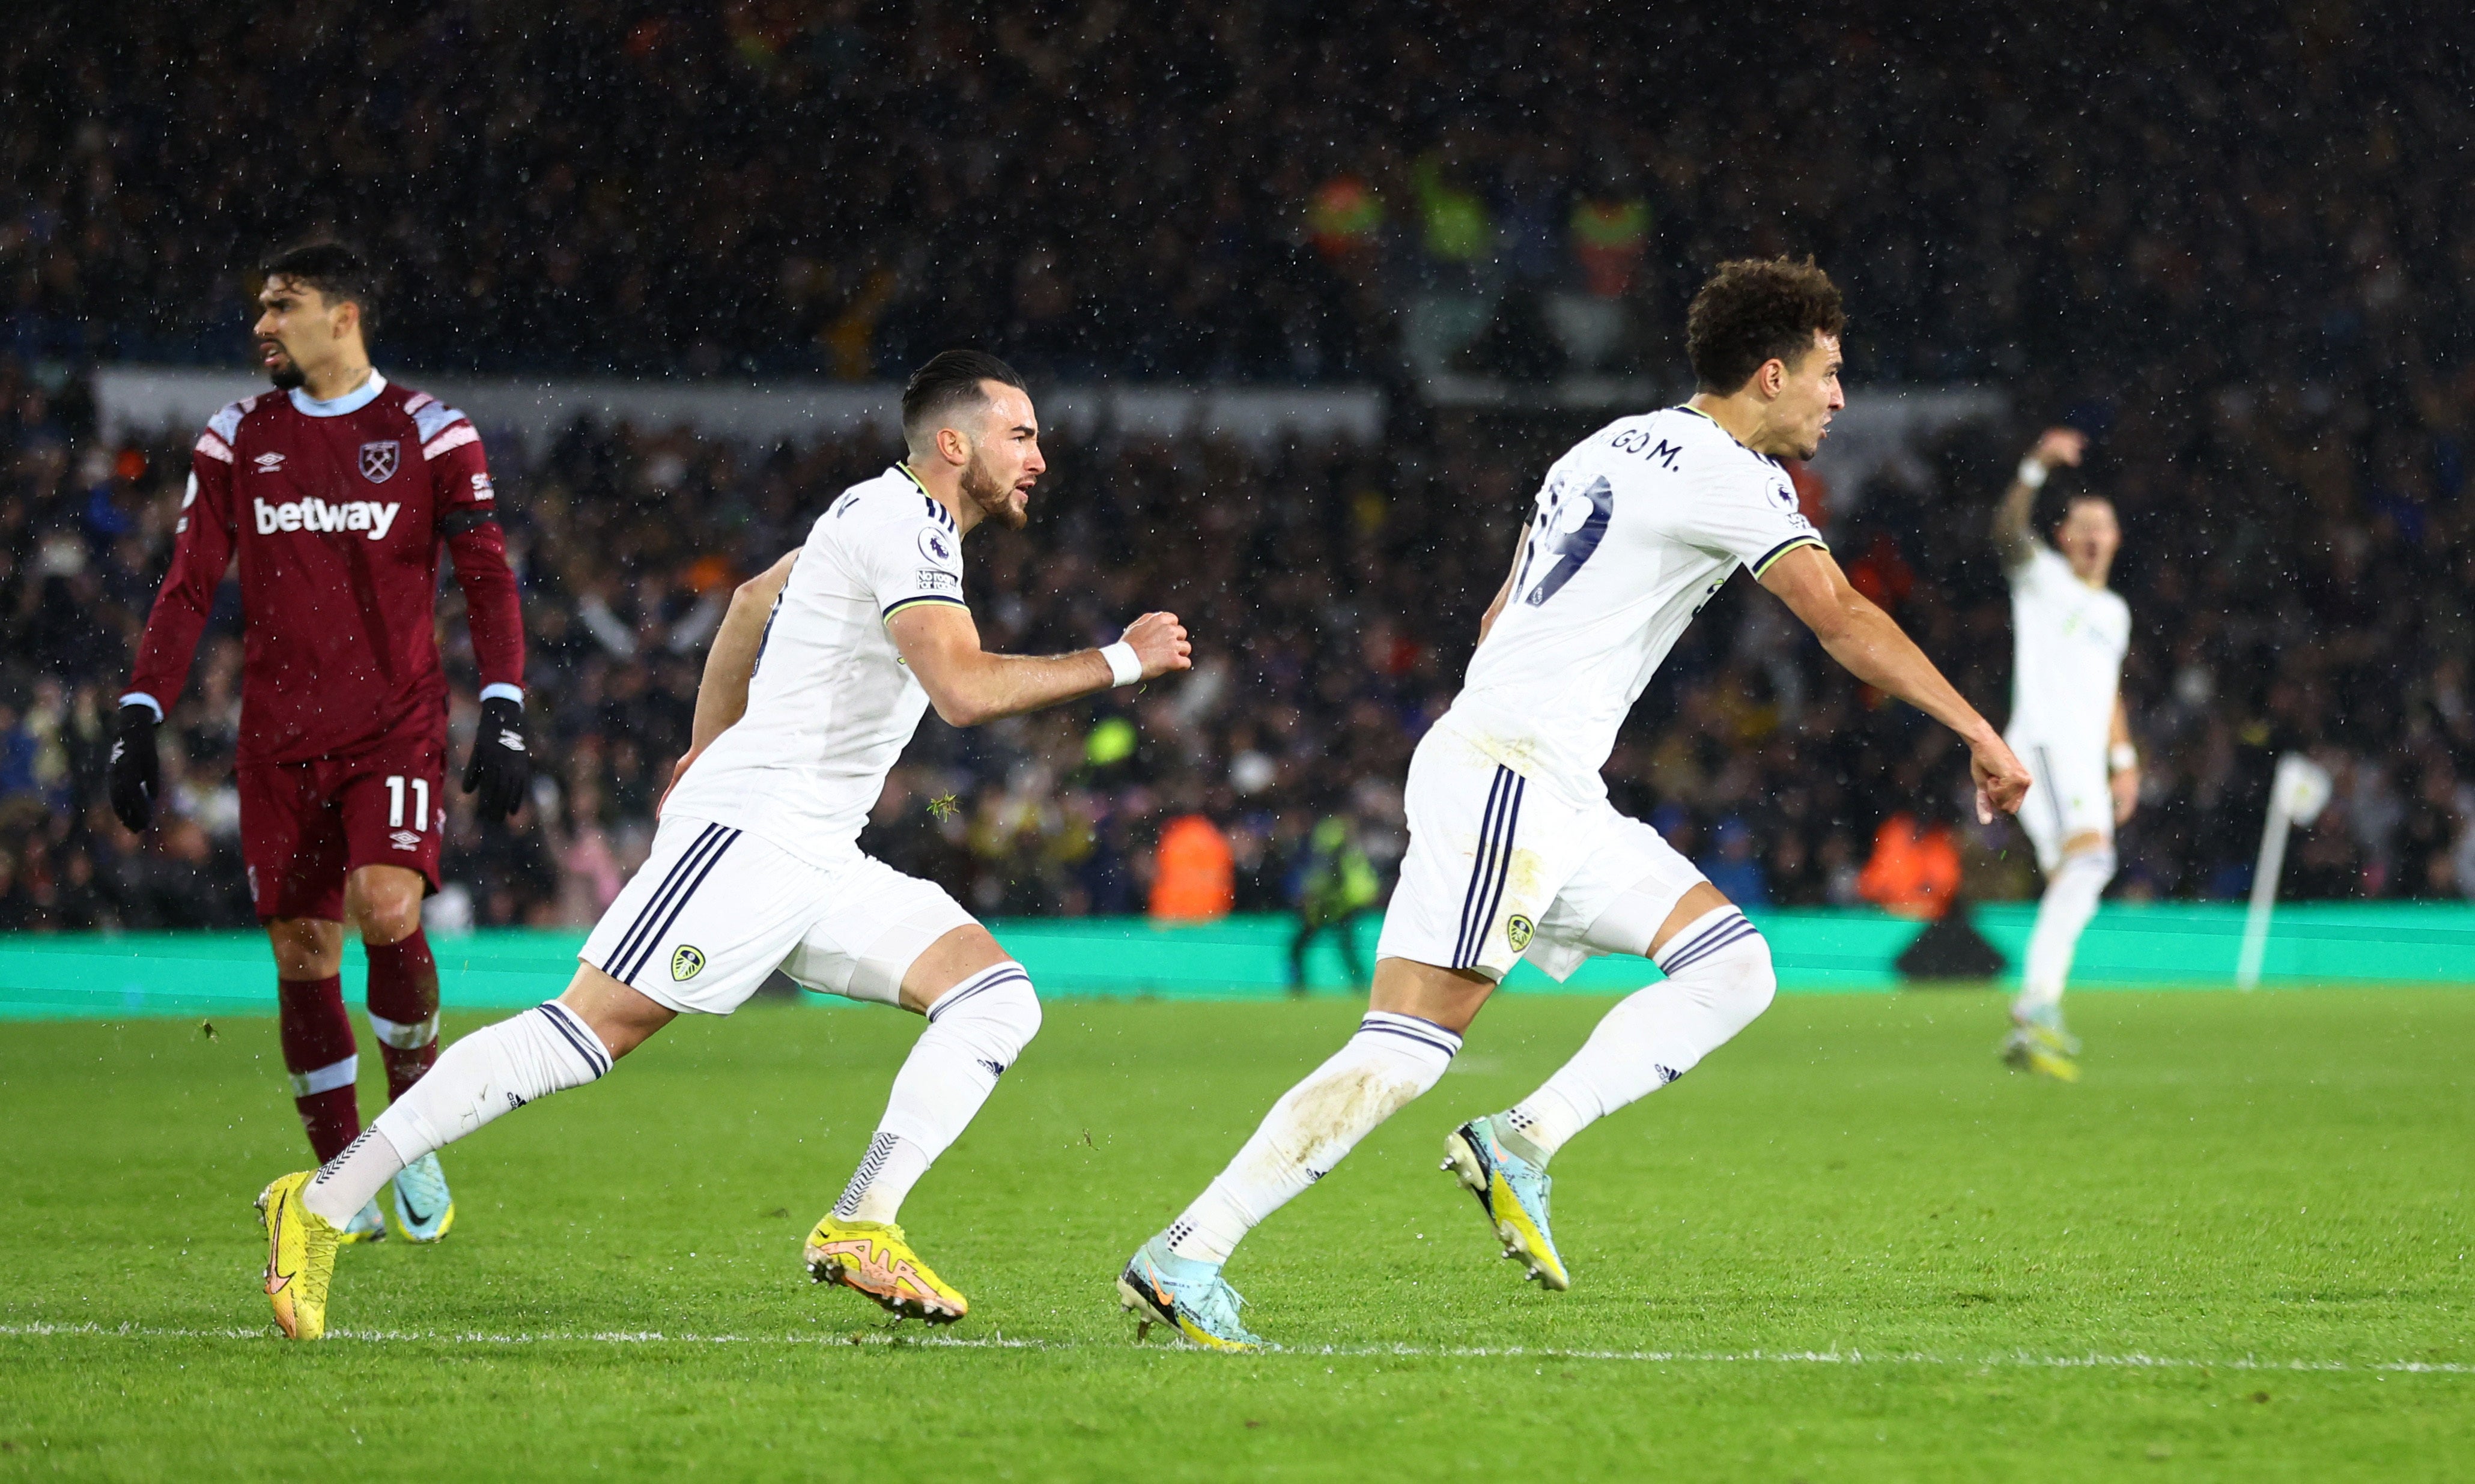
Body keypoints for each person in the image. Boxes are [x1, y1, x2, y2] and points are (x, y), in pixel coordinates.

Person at [1115, 258, 2032, 1349]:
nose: (1840, 399)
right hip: (1513, 773)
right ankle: (1188, 1250)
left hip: (1539, 778)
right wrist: (1976, 726)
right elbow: (1835, 615)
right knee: (1407, 1046)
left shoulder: (1603, 444)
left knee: (1733, 962)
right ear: (1772, 373)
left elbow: (1504, 610)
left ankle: (1524, 1138)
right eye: (1829, 376)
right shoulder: (1732, 473)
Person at [255, 351, 1192, 1341]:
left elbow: (749, 599)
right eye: (1022, 434)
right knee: (587, 1033)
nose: (1039, 457)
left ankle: (861, 1223)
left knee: (995, 999)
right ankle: (317, 1202)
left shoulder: (870, 514)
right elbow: (960, 691)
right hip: (755, 832)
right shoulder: (902, 525)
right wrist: (1123, 659)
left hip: (819, 848)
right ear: (954, 443)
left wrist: (703, 745)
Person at [112, 242, 530, 1246]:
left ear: (342, 316)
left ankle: (412, 1119)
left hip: (395, 725)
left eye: (282, 306)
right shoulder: (234, 437)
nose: (261, 324)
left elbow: (485, 575)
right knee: (304, 950)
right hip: (278, 736)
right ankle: (346, 1173)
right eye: (260, 306)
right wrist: (140, 711)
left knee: (385, 906)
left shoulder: (431, 433)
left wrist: (506, 703)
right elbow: (187, 581)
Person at [1991, 427, 2136, 1080]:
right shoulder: (2043, 580)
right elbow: (2005, 534)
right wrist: (2033, 466)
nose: (2092, 534)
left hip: (2085, 762)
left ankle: (2035, 1021)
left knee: (2075, 878)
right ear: (2063, 538)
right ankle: (2036, 1004)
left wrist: (2123, 757)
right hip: (2045, 747)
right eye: (2080, 524)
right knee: (2092, 862)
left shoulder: (2114, 612)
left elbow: (2108, 689)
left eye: (2102, 524)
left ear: (2115, 539)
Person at [1286, 811, 1381, 992]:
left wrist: (1314, 897)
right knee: (1346, 947)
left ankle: (1298, 984)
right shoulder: (1344, 843)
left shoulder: (1329, 840)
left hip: (1329, 905)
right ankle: (1360, 984)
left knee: (1302, 946)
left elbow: (1329, 874)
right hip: (1344, 904)